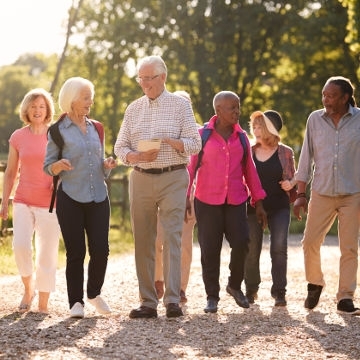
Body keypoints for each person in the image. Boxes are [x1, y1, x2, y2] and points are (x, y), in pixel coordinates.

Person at [114, 55, 202, 319]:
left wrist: (172, 141)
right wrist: (136, 157)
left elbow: (195, 144)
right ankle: (148, 302)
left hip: (173, 176)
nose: (144, 83)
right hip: (141, 176)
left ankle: (173, 300)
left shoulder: (179, 106)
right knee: (143, 239)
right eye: (140, 78)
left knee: (173, 236)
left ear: (163, 77)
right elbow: (120, 148)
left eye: (149, 78)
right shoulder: (133, 109)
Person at [187, 90, 267, 314]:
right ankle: (212, 296)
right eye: (232, 107)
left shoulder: (241, 137)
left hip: (235, 199)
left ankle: (234, 285)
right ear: (218, 110)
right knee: (209, 249)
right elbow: (190, 169)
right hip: (207, 199)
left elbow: (250, 170)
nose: (237, 111)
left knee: (242, 242)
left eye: (238, 106)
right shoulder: (201, 135)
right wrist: (186, 197)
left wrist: (258, 201)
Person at [43, 77, 117, 318]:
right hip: (70, 197)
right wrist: (58, 166)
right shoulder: (57, 130)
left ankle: (94, 293)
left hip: (98, 196)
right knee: (75, 252)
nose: (90, 101)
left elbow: (99, 162)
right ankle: (76, 302)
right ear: (72, 100)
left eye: (90, 97)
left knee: (101, 249)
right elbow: (47, 166)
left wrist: (106, 165)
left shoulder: (97, 127)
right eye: (86, 97)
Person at [294, 76, 360, 315]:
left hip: (353, 192)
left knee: (349, 247)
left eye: (331, 95)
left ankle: (345, 296)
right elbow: (306, 158)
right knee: (310, 241)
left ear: (345, 98)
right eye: (324, 94)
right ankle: (315, 282)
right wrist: (301, 192)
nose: (326, 99)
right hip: (321, 192)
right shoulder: (314, 119)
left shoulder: (359, 119)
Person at [0, 88, 61, 314]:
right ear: (27, 109)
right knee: (21, 246)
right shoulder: (18, 136)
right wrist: (5, 200)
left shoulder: (56, 135)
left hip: (50, 202)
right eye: (33, 106)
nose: (37, 110)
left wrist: (59, 180)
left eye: (42, 107)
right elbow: (11, 172)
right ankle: (28, 288)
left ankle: (43, 302)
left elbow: (64, 164)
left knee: (47, 251)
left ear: (48, 110)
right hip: (23, 199)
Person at [244, 110, 296, 307]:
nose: (255, 130)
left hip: (279, 207)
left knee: (279, 248)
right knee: (251, 248)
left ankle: (279, 292)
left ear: (270, 129)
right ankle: (251, 290)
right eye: (254, 126)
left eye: (260, 126)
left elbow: (293, 176)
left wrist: (290, 184)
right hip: (253, 206)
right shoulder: (248, 151)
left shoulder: (286, 152)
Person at [154, 90, 197, 304]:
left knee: (184, 245)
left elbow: (196, 170)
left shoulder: (196, 135)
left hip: (189, 199)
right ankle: (158, 278)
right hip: (163, 196)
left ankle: (180, 287)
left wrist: (189, 198)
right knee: (158, 240)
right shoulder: (162, 132)